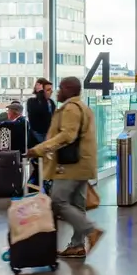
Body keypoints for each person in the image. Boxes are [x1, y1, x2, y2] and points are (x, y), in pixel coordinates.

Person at [25, 77, 103, 259]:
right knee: (77, 205)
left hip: (70, 166)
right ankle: (77, 246)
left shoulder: (71, 109)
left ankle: (90, 231)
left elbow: (67, 136)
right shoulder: (82, 107)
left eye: (59, 88)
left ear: (68, 89)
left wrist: (38, 149)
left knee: (58, 202)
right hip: (82, 165)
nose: (56, 91)